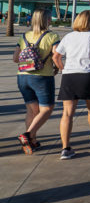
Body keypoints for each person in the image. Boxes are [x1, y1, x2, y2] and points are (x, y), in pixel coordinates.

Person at [52, 10, 90, 160]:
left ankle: (66, 148)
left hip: (69, 76)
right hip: (89, 75)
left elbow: (56, 56)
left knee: (67, 113)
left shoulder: (68, 36)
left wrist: (62, 68)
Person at [13, 9, 60, 154]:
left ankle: (31, 142)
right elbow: (56, 57)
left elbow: (15, 58)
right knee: (47, 109)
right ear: (46, 20)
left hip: (22, 76)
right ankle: (27, 135)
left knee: (32, 110)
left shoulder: (24, 36)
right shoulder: (52, 36)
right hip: (42, 77)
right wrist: (59, 68)